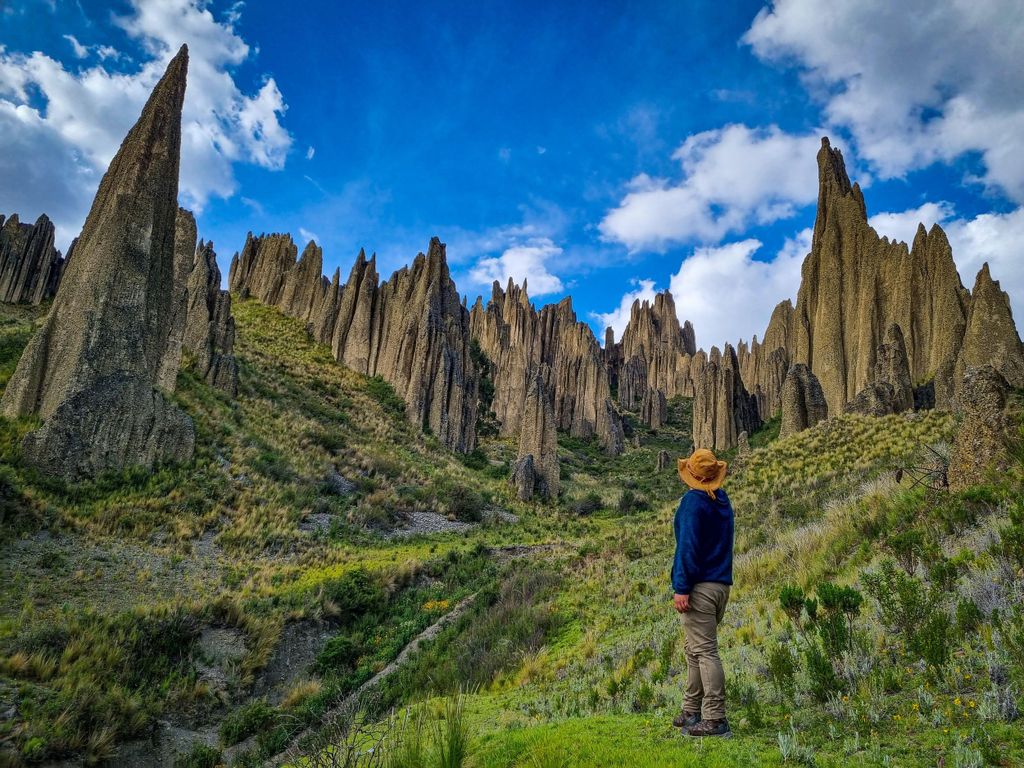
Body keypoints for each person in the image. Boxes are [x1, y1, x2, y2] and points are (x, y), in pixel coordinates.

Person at [670, 448, 734, 737]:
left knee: (705, 651)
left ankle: (715, 718)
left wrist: (681, 587)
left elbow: (687, 548)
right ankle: (691, 709)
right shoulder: (721, 500)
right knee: (693, 648)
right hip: (720, 586)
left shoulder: (693, 502)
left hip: (700, 588)